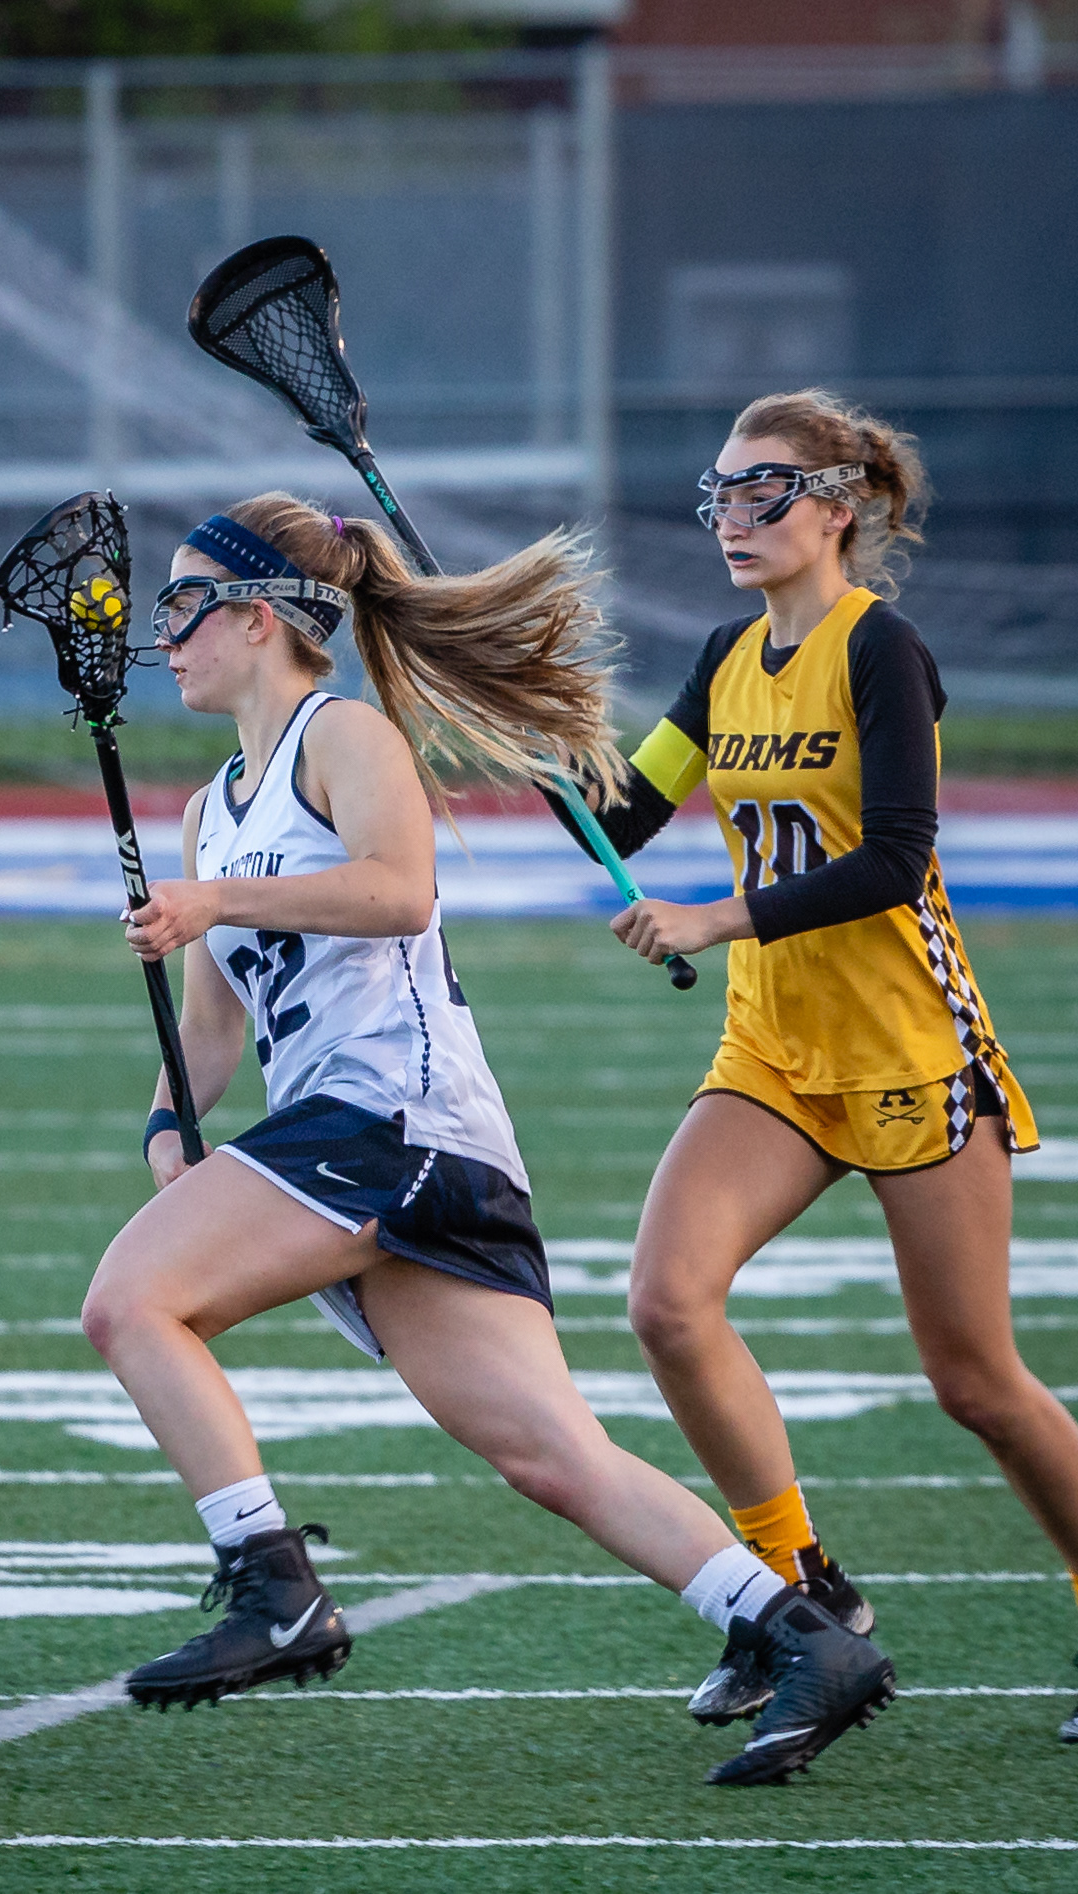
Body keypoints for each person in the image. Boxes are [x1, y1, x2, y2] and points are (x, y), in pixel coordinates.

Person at [78, 492, 894, 1786]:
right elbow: (213, 1020)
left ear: (259, 614)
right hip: (398, 1144)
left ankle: (271, 1584)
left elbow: (398, 891)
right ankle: (804, 1637)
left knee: (129, 1302)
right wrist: (171, 1118)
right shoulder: (207, 810)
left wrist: (212, 898)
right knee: (550, 1453)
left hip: (392, 1117)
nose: (164, 635)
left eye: (182, 605)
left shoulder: (341, 735)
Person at [549, 387, 1078, 1743]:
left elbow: (894, 859)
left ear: (838, 507)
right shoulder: (725, 656)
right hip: (773, 1051)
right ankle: (804, 1591)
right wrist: (540, 737)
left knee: (975, 1383)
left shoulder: (880, 649)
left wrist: (712, 917)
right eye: (719, 492)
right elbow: (622, 813)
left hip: (907, 1046)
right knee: (667, 1303)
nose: (731, 516)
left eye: (762, 490)